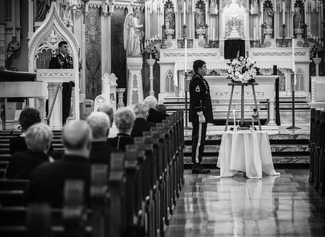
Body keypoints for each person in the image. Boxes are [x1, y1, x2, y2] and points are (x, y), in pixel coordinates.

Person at [24, 120, 92, 208]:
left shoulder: (41, 171)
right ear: (89, 144)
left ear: (63, 142)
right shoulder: (97, 174)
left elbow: (26, 203)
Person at [189, 60, 213, 174]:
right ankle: (196, 164)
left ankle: (198, 162)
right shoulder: (196, 81)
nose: (206, 68)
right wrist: (200, 113)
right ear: (199, 69)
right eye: (204, 67)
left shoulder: (201, 80)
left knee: (201, 139)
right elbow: (196, 97)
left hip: (202, 113)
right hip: (199, 115)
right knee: (198, 140)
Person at [49, 41, 74, 125]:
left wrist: (73, 84)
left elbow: (72, 71)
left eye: (67, 47)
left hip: (68, 85)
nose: (67, 48)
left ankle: (64, 120)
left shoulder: (70, 59)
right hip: (59, 85)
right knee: (59, 103)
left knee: (67, 105)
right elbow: (51, 72)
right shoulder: (55, 59)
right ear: (60, 48)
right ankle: (58, 121)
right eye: (65, 47)